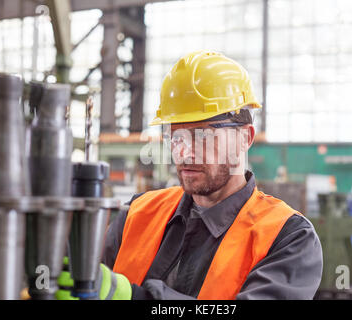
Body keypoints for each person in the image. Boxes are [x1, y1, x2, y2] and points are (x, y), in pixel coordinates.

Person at [59, 51, 323, 300]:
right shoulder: (136, 214)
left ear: (246, 137)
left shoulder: (288, 237)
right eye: (175, 137)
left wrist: (134, 296)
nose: (184, 153)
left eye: (203, 136)